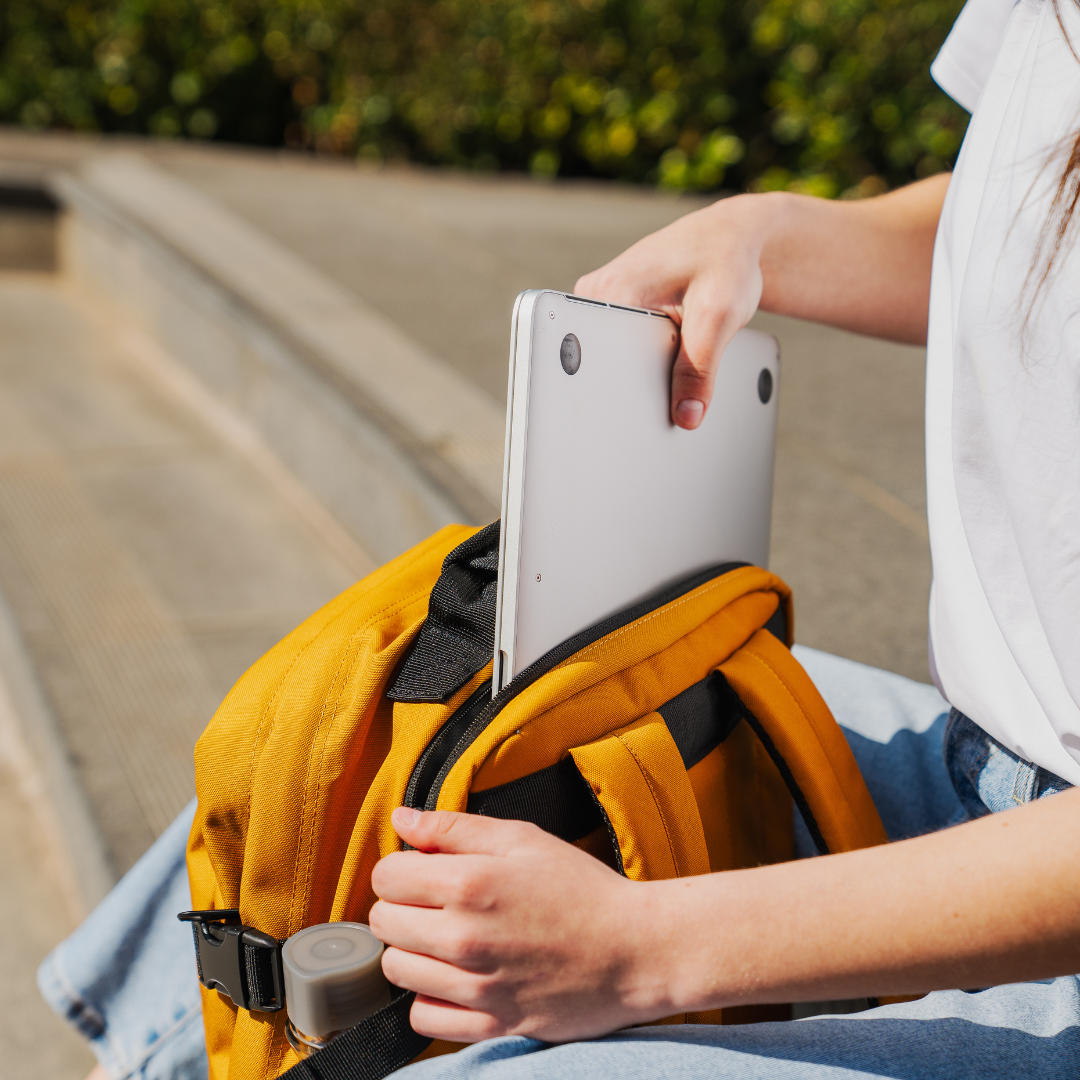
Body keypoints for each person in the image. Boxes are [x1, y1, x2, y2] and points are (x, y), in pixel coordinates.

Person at [42, 0, 1080, 1075]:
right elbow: (1021, 208)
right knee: (352, 734)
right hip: (981, 777)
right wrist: (767, 231)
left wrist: (644, 952)